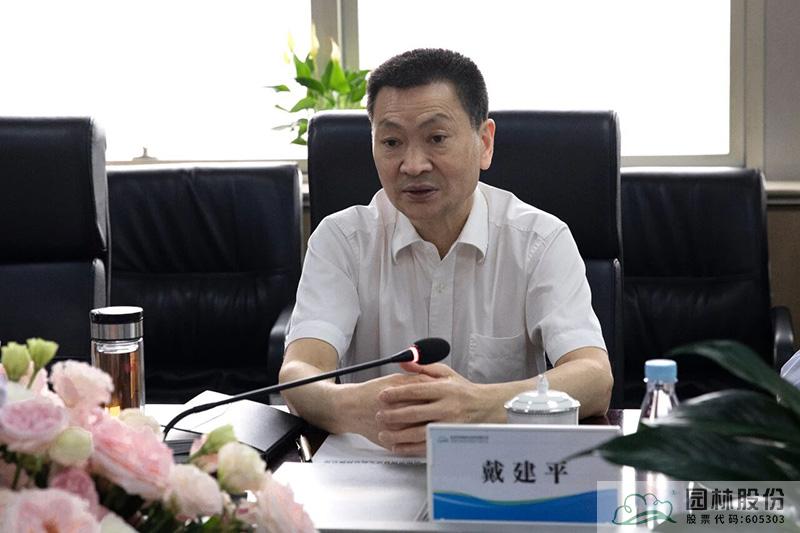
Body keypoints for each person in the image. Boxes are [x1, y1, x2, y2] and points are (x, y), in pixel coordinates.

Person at [280, 48, 613, 456]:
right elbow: (299, 371)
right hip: (371, 470)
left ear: (484, 143)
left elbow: (594, 378)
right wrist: (354, 407)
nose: (413, 164)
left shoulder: (539, 240)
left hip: (500, 474)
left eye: (436, 138)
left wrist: (477, 406)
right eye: (391, 142)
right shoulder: (341, 240)